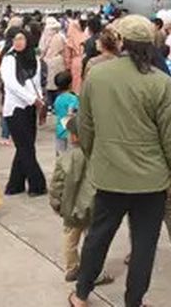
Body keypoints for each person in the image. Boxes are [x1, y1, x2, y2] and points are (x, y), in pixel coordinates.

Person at [70, 15, 171, 307]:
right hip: (151, 180)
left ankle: (81, 293)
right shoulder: (160, 82)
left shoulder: (97, 75)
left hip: (110, 175)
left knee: (98, 237)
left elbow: (84, 127)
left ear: (120, 41)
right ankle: (134, 301)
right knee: (144, 245)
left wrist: (96, 157)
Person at [49, 117, 113, 285]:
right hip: (93, 206)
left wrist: (56, 203)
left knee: (70, 239)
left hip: (70, 208)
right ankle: (95, 272)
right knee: (94, 241)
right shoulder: (97, 156)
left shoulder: (65, 158)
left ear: (74, 137)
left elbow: (57, 184)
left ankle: (72, 268)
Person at [0, 28, 48, 196]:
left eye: (21, 38)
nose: (18, 42)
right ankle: (37, 183)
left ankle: (15, 184)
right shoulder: (8, 59)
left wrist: (39, 100)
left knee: (25, 146)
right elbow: (11, 84)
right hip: (15, 108)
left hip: (31, 107)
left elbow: (36, 81)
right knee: (25, 147)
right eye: (15, 39)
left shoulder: (34, 58)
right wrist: (31, 99)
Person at [52, 70, 81, 156]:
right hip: (70, 132)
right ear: (70, 84)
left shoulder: (58, 99)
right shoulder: (73, 98)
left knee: (61, 157)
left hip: (59, 130)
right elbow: (72, 113)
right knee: (71, 158)